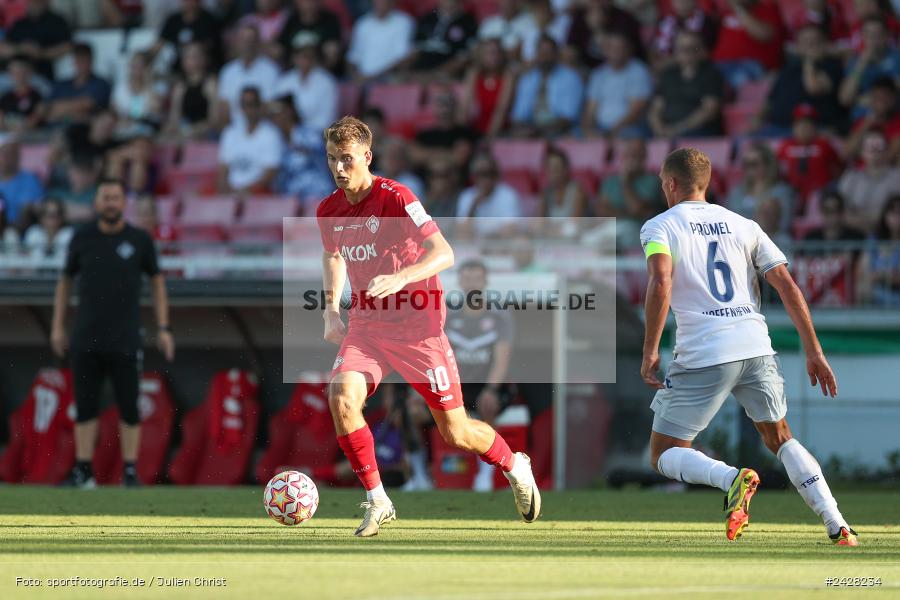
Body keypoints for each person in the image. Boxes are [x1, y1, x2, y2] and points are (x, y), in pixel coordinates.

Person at [316, 116, 540, 536]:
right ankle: (378, 499)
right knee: (342, 397)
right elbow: (333, 257)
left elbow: (444, 252)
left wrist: (402, 277)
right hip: (366, 327)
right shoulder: (328, 209)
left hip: (418, 329)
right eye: (332, 159)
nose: (339, 168)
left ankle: (514, 463)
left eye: (347, 159)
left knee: (455, 433)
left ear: (367, 156)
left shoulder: (397, 197)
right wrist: (331, 310)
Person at [639, 147, 857, 546]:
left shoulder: (659, 227)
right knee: (781, 437)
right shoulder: (745, 224)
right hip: (755, 345)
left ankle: (732, 479)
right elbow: (787, 286)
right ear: (706, 184)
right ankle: (837, 523)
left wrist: (650, 349)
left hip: (704, 351)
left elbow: (661, 281)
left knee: (664, 453)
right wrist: (814, 351)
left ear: (670, 184)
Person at [52, 178, 175, 489]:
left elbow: (158, 282)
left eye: (116, 198)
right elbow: (64, 282)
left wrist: (163, 327)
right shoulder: (81, 238)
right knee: (85, 406)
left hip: (125, 338)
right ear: (97, 202)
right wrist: (57, 326)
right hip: (85, 337)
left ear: (123, 203)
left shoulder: (139, 240)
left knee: (130, 406)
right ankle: (83, 471)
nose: (110, 203)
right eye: (105, 197)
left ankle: (130, 472)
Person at [445, 259, 515, 492]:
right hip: (456, 385)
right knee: (413, 409)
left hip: (486, 384)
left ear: (485, 281)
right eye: (467, 278)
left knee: (488, 404)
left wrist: (491, 389)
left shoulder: (499, 317)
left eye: (476, 278)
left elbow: (501, 360)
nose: (472, 282)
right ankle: (420, 475)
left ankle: (485, 474)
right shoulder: (448, 316)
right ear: (460, 281)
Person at [648, 30, 724, 138]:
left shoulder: (711, 75)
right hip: (667, 130)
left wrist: (676, 130)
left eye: (693, 48)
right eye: (682, 49)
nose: (687, 53)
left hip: (698, 132)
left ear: (701, 50)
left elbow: (709, 111)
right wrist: (658, 129)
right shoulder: (668, 75)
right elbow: (655, 109)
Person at [581, 31, 653, 139]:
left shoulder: (639, 71)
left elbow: (636, 110)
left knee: (630, 134)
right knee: (576, 134)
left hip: (629, 127)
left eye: (620, 48)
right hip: (601, 128)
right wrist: (587, 129)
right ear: (605, 50)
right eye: (611, 48)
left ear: (629, 50)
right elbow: (590, 109)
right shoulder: (598, 74)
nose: (615, 52)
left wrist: (611, 131)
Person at [508, 35, 583, 138]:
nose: (545, 56)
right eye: (541, 52)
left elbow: (568, 118)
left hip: (561, 133)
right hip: (530, 132)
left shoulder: (571, 78)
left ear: (557, 54)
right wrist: (527, 129)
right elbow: (518, 116)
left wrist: (539, 131)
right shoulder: (527, 79)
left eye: (549, 52)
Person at [217, 87, 284, 194]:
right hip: (232, 192)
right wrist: (225, 191)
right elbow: (223, 169)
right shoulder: (230, 133)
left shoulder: (271, 134)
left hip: (258, 193)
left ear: (260, 106)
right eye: (244, 104)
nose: (248, 109)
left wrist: (245, 192)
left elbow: (270, 175)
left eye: (251, 104)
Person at [216, 24, 281, 127]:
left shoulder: (271, 70)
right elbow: (224, 107)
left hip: (262, 128)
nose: (248, 44)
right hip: (234, 129)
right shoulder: (228, 71)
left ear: (258, 43)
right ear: (237, 42)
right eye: (244, 40)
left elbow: (272, 106)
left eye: (251, 40)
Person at [726, 141, 796, 236]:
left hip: (772, 240)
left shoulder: (782, 192)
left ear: (768, 165)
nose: (749, 168)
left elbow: (784, 224)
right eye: (746, 164)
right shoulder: (736, 193)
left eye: (754, 164)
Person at [273, 32, 338, 132]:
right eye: (300, 53)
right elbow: (276, 111)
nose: (305, 58)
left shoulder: (327, 82)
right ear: (294, 56)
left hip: (317, 137)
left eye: (309, 54)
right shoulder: (284, 81)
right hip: (286, 135)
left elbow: (327, 120)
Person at [346, 0, 415, 83]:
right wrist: (355, 77)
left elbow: (403, 58)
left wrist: (372, 77)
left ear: (392, 2)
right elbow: (353, 58)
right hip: (362, 80)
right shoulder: (362, 24)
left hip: (389, 78)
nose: (380, 3)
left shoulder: (404, 22)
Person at [163, 41, 218, 139]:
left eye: (195, 56)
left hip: (206, 134)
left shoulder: (211, 84)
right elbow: (174, 117)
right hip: (184, 132)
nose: (192, 60)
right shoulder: (180, 86)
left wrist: (194, 130)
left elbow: (214, 119)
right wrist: (173, 129)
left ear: (204, 59)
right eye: (188, 56)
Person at [857, 194, 900, 305]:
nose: (897, 217)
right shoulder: (874, 240)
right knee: (863, 289)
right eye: (893, 212)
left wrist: (882, 276)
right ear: (885, 215)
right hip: (876, 294)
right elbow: (864, 272)